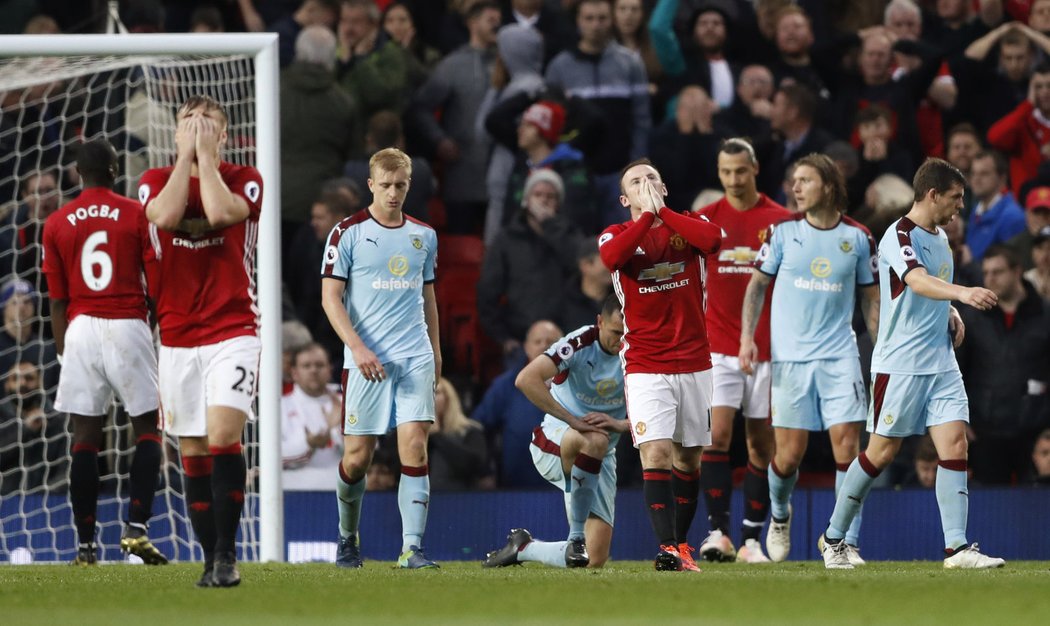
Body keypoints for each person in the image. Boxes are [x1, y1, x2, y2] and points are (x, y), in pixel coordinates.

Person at [817, 158, 1007, 570]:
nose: (960, 207)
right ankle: (833, 538)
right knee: (881, 453)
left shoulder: (940, 235)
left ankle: (956, 549)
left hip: (940, 361)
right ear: (933, 194)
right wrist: (962, 295)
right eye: (955, 198)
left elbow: (921, 291)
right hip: (900, 363)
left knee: (955, 445)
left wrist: (949, 314)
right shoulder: (897, 234)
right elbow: (917, 279)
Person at [139, 94, 264, 587]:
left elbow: (218, 213)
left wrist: (206, 160)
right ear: (173, 135)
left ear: (225, 134)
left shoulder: (245, 178)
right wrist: (186, 161)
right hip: (175, 336)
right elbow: (166, 218)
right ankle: (209, 561)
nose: (196, 129)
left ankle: (228, 555)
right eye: (187, 124)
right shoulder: (153, 181)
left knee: (223, 439)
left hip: (233, 329)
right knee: (191, 450)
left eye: (207, 123)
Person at [740, 153, 879, 565]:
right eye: (793, 181)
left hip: (840, 357)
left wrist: (881, 353)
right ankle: (780, 515)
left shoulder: (858, 238)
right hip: (790, 362)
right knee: (788, 456)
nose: (795, 188)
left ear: (829, 186)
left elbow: (871, 300)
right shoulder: (781, 233)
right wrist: (748, 339)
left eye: (804, 181)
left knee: (848, 449)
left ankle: (844, 542)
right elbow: (756, 287)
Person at [41, 139, 165, 567]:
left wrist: (62, 354)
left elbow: (56, 301)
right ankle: (135, 529)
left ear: (77, 173)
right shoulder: (136, 214)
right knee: (148, 429)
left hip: (80, 330)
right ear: (115, 171)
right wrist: (144, 328)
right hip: (126, 322)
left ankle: (85, 547)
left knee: (85, 439)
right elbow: (156, 283)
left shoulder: (56, 221)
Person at [597, 159, 722, 571]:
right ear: (624, 198)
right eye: (635, 181)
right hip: (646, 364)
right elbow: (612, 258)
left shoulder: (690, 223)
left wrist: (661, 213)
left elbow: (713, 240)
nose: (644, 184)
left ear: (664, 187)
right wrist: (647, 217)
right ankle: (667, 547)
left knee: (689, 459)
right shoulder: (616, 235)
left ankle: (682, 546)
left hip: (695, 361)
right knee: (656, 454)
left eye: (651, 178)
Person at [320, 147, 441, 569]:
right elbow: (330, 298)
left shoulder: (424, 235)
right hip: (366, 361)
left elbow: (428, 297)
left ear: (409, 185)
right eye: (385, 185)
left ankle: (411, 548)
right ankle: (346, 535)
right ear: (371, 184)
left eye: (400, 186)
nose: (393, 193)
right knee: (358, 458)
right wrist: (356, 346)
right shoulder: (346, 233)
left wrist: (437, 353)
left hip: (414, 355)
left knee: (415, 445)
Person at [693, 138, 791, 564]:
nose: (733, 180)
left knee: (760, 446)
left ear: (754, 170)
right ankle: (719, 533)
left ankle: (752, 539)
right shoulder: (705, 223)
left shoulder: (783, 221)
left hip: (771, 349)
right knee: (716, 436)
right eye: (725, 172)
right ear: (718, 172)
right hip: (718, 345)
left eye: (740, 171)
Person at [484, 296, 626, 569]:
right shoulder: (579, 343)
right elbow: (525, 379)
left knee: (593, 560)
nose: (621, 340)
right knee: (595, 438)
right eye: (616, 332)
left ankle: (523, 548)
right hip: (557, 438)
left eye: (627, 333)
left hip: (603, 454)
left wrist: (619, 424)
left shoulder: (640, 349)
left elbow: (659, 416)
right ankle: (575, 537)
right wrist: (573, 420)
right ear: (600, 322)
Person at [957, 246, 1050, 484]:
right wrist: (960, 420)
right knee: (992, 509)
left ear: (1017, 271)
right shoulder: (972, 318)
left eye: (997, 271)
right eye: (986, 272)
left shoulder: (1045, 314)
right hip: (986, 432)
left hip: (1036, 432)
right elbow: (955, 372)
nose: (989, 278)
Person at [472, 319, 563, 488]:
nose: (544, 346)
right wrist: (485, 470)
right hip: (515, 487)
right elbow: (478, 427)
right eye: (537, 341)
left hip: (568, 486)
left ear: (564, 348)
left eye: (551, 342)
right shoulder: (506, 385)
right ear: (526, 347)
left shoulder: (579, 384)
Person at [280, 343, 343, 490]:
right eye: (306, 366)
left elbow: (370, 452)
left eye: (319, 365)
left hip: (341, 492)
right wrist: (309, 444)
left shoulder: (346, 405)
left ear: (329, 370)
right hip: (292, 492)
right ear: (294, 372)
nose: (313, 370)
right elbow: (271, 456)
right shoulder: (278, 407)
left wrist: (339, 431)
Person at [427, 377, 489, 490]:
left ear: (449, 398)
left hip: (460, 499)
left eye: (436, 393)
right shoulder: (414, 436)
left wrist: (437, 435)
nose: (430, 398)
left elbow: (476, 467)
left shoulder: (470, 431)